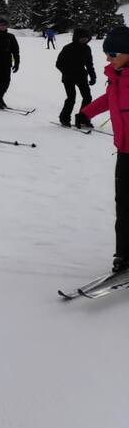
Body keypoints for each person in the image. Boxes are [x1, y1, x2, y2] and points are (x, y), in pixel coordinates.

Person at [78, 25, 129, 274]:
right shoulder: (116, 77)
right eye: (107, 54)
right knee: (124, 204)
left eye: (113, 54)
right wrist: (86, 111)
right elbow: (110, 100)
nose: (108, 59)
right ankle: (123, 255)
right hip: (124, 151)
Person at [57, 28, 96, 128]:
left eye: (86, 38)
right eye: (82, 38)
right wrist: (67, 72)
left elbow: (89, 64)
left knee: (87, 97)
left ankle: (83, 119)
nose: (84, 40)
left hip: (82, 76)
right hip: (68, 77)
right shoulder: (68, 48)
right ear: (76, 38)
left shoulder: (87, 49)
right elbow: (59, 64)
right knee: (71, 98)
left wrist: (93, 76)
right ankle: (64, 119)